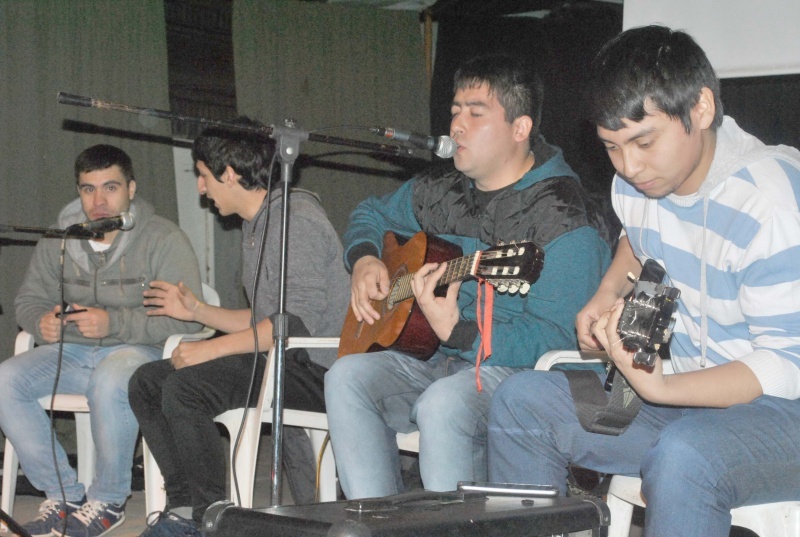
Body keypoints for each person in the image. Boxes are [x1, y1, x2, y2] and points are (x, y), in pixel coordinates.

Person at [488, 25, 800, 537]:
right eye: (612, 147)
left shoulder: (770, 201)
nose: (630, 166)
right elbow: (637, 236)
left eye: (644, 141)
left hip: (783, 414)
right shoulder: (641, 186)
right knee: (521, 405)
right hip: (691, 402)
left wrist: (665, 386)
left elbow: (788, 365)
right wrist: (607, 292)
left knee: (686, 458)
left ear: (700, 109)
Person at [324, 53, 613, 499]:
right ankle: (377, 522)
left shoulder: (564, 215)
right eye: (455, 111)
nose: (456, 126)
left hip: (519, 374)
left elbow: (560, 340)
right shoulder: (441, 189)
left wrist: (460, 332)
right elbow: (371, 213)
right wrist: (364, 258)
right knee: (346, 377)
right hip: (440, 356)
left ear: (521, 129)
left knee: (445, 404)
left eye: (475, 114)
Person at [129, 118, 350, 536]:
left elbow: (291, 325)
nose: (201, 188)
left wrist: (211, 349)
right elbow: (261, 318)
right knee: (146, 381)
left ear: (229, 175)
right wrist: (196, 312)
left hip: (317, 369)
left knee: (184, 387)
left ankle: (209, 520)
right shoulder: (257, 224)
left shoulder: (296, 220)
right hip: (280, 356)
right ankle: (183, 503)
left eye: (203, 175)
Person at [0, 144, 203, 537]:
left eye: (110, 188)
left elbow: (188, 321)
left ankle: (109, 500)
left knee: (112, 378)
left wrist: (114, 323)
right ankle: (63, 495)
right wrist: (40, 322)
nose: (98, 201)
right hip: (74, 352)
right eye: (88, 189)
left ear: (131, 188)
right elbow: (27, 301)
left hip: (139, 352)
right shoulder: (59, 238)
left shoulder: (163, 238)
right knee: (5, 380)